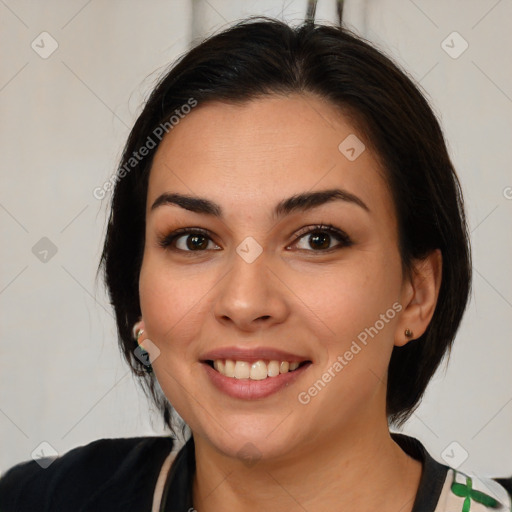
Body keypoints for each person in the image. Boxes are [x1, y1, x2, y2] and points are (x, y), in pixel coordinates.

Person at [0, 15, 510, 512]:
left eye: (317, 239)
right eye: (194, 240)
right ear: (136, 290)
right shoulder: (43, 499)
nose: (244, 303)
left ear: (416, 294)